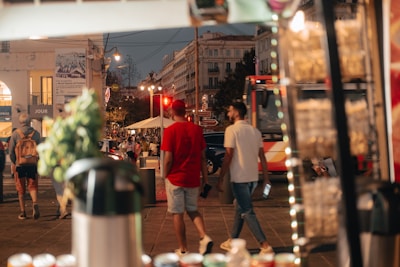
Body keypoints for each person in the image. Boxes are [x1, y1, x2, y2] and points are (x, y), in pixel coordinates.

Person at [216, 101, 273, 254]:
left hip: (239, 178)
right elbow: (262, 156)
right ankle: (232, 240)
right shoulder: (255, 131)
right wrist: (266, 178)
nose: (228, 114)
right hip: (253, 178)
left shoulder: (232, 130)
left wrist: (221, 177)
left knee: (247, 211)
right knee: (240, 209)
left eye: (229, 111)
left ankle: (265, 245)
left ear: (236, 112)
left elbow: (228, 155)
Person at [161, 99, 213, 256]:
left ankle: (183, 249)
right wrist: (206, 179)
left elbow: (168, 158)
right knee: (192, 210)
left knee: (177, 214)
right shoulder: (197, 130)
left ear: (171, 112)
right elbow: (203, 157)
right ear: (185, 112)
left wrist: (165, 176)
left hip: (176, 178)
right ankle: (204, 237)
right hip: (193, 178)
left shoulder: (170, 131)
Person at [9, 113, 41, 220]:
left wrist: (15, 162)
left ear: (20, 122)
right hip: (32, 164)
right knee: (33, 186)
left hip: (20, 165)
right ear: (29, 121)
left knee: (20, 188)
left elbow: (11, 152)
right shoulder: (36, 134)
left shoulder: (15, 134)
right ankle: (35, 203)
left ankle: (23, 212)